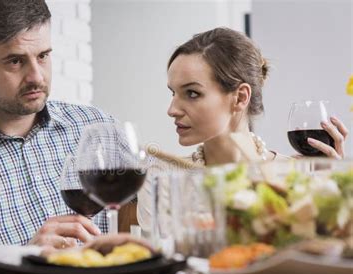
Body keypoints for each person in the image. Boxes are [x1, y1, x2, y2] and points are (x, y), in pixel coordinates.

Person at [0, 0, 114, 252]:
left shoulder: (95, 126)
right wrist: (23, 257)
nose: (37, 77)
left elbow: (137, 217)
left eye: (43, 56)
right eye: (15, 61)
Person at [137, 27, 349, 233]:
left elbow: (323, 254)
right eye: (172, 93)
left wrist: (334, 193)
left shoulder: (298, 177)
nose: (172, 110)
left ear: (240, 98)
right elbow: (159, 261)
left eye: (192, 93)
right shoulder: (163, 179)